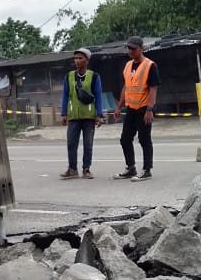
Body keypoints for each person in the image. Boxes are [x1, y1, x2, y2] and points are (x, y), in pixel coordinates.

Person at [112, 36, 159, 180]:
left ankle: (147, 170)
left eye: (133, 48)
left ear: (141, 48)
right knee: (125, 139)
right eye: (129, 48)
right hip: (131, 109)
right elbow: (126, 87)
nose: (130, 51)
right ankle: (131, 168)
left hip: (144, 109)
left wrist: (150, 109)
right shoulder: (127, 66)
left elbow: (153, 89)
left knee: (144, 139)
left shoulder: (150, 66)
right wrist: (119, 107)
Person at [59, 47, 104, 179]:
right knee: (71, 143)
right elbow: (65, 95)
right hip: (73, 116)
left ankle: (86, 169)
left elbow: (98, 96)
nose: (77, 61)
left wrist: (99, 115)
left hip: (89, 116)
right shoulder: (69, 77)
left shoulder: (94, 77)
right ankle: (72, 169)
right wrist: (63, 113)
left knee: (88, 144)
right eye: (76, 58)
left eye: (80, 58)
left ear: (87, 60)